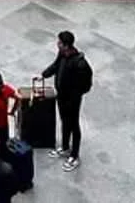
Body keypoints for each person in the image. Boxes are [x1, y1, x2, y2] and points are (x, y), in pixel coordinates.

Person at [42, 28, 93, 172]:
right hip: (62, 96)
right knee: (64, 121)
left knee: (74, 125)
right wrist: (45, 74)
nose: (57, 44)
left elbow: (85, 85)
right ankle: (65, 147)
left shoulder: (79, 63)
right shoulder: (62, 54)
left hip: (72, 100)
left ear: (66, 45)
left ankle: (74, 156)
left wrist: (74, 96)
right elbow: (56, 65)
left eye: (59, 42)